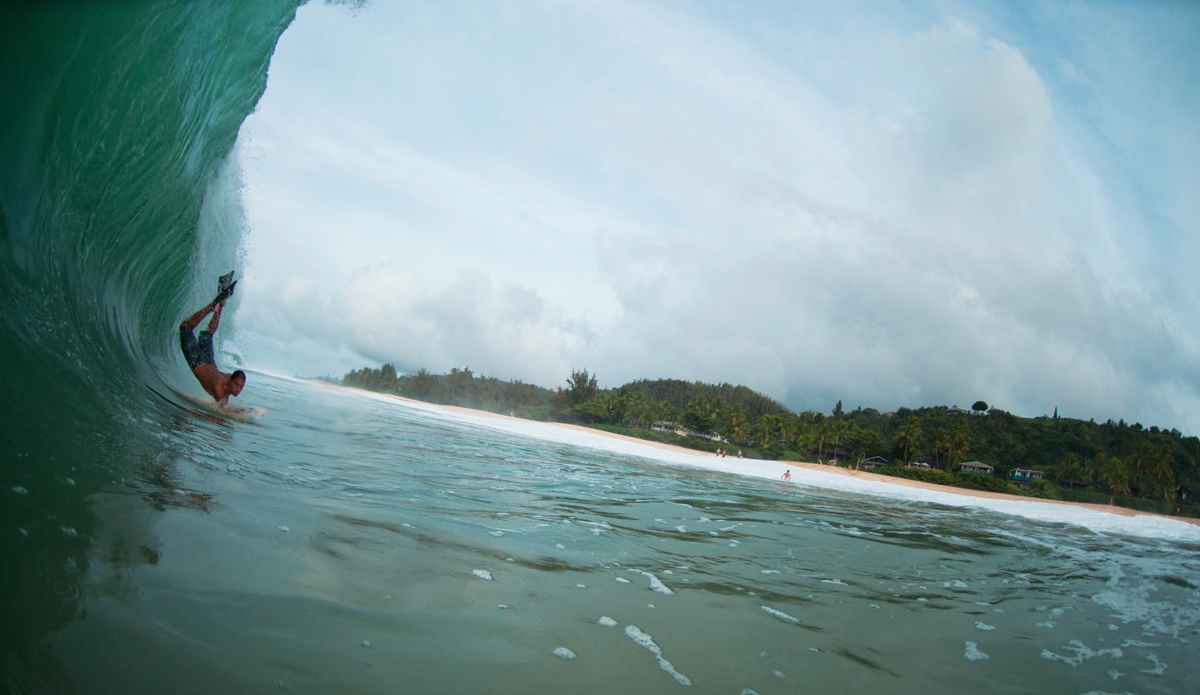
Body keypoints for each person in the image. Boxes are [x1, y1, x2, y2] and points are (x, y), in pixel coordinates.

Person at [180, 296, 245, 404]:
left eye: (241, 386)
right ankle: (211, 306)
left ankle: (220, 305)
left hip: (209, 360)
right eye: (236, 385)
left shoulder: (230, 377)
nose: (237, 389)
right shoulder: (218, 388)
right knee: (185, 328)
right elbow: (224, 412)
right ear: (230, 381)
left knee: (209, 333)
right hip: (197, 363)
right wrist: (246, 412)